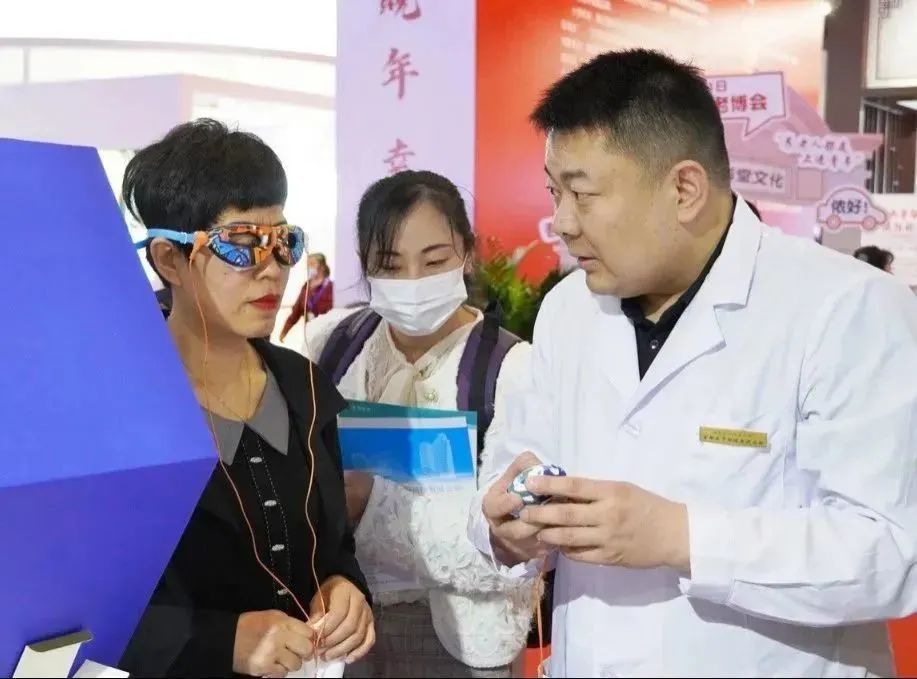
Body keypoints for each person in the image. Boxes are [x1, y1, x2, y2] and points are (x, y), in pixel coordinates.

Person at [470, 49, 917, 677]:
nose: (562, 222)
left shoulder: (845, 309)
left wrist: (680, 536)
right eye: (554, 191)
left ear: (684, 189)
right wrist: (501, 527)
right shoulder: (568, 309)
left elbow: (891, 552)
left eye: (583, 194)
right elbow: (514, 461)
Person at [119, 119, 374, 678]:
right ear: (169, 259)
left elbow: (334, 547)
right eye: (242, 245)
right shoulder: (122, 408)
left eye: (284, 243)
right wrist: (221, 641)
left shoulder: (306, 388)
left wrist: (345, 588)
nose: (272, 269)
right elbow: (80, 606)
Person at [303, 170, 535, 677]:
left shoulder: (511, 369)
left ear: (466, 253)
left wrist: (369, 500)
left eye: (433, 262)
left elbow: (517, 548)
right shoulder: (332, 345)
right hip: (343, 630)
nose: (412, 282)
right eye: (390, 265)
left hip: (463, 641)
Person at [280, 253, 334, 341]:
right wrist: (284, 332)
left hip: (327, 335)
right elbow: (296, 312)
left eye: (312, 264)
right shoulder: (306, 287)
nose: (309, 267)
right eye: (308, 264)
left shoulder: (331, 287)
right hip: (310, 335)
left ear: (322, 267)